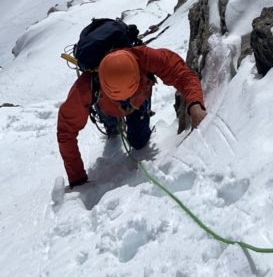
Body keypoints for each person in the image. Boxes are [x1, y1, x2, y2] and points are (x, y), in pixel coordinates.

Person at [57, 45, 206, 188]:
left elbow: (182, 73)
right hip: (109, 106)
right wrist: (77, 178)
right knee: (111, 126)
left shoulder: (145, 58)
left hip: (137, 102)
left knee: (139, 142)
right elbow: (66, 130)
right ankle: (112, 128)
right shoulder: (86, 86)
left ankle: (121, 125)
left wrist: (195, 104)